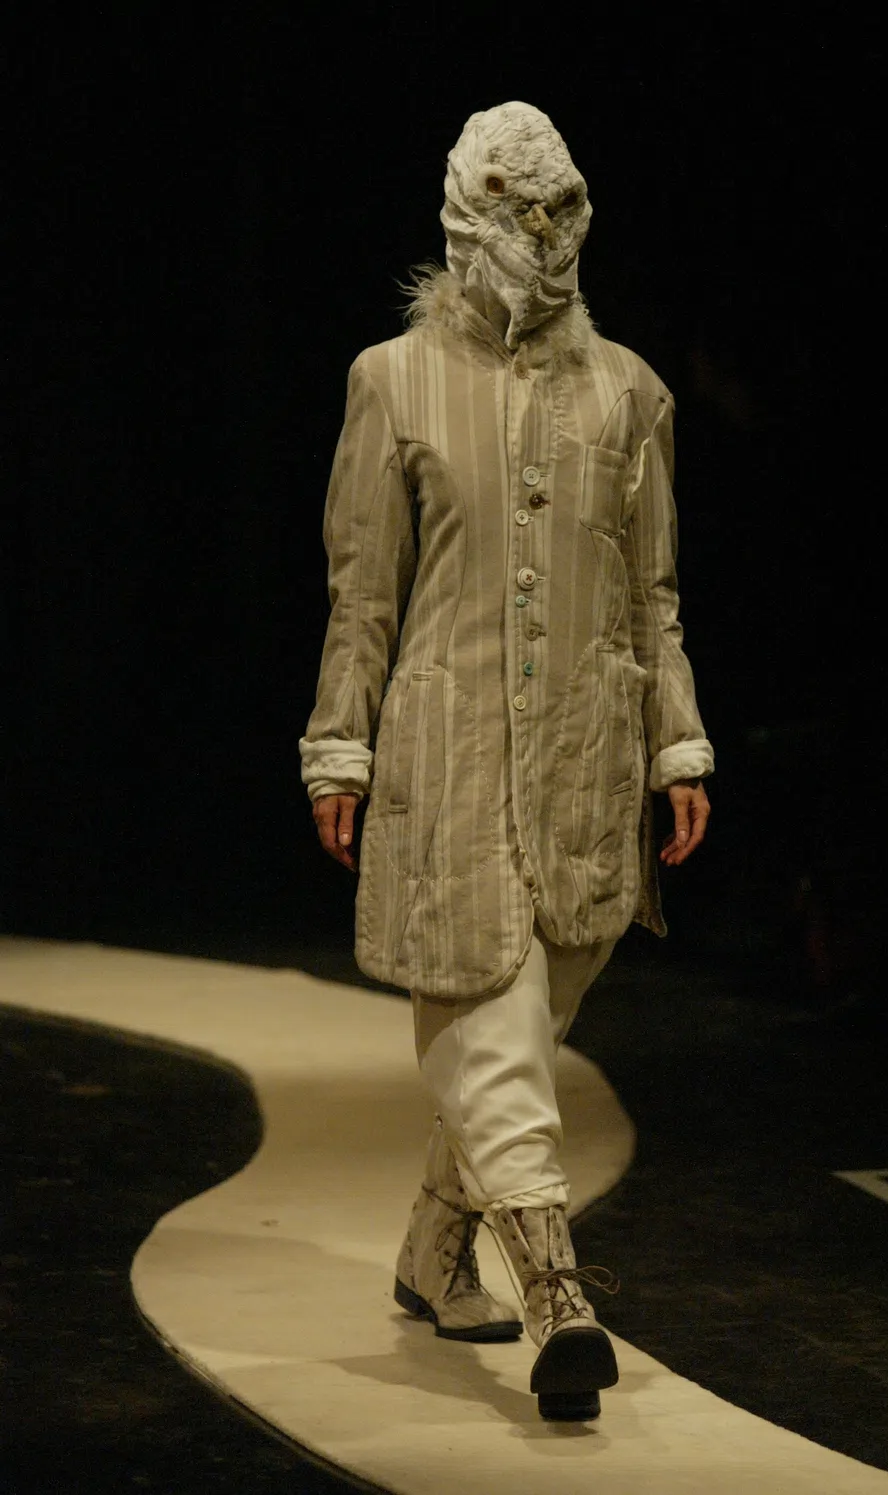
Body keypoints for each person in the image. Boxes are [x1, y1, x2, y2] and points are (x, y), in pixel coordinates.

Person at [299, 101, 713, 1421]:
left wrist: (677, 741)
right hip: (449, 752)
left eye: (558, 207)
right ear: (464, 214)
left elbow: (652, 594)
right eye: (514, 208)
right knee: (489, 1022)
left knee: (530, 1018)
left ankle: (433, 1252)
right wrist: (339, 748)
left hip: (589, 757)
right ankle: (555, 1293)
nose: (539, 232)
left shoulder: (629, 391)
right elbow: (363, 592)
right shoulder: (393, 379)